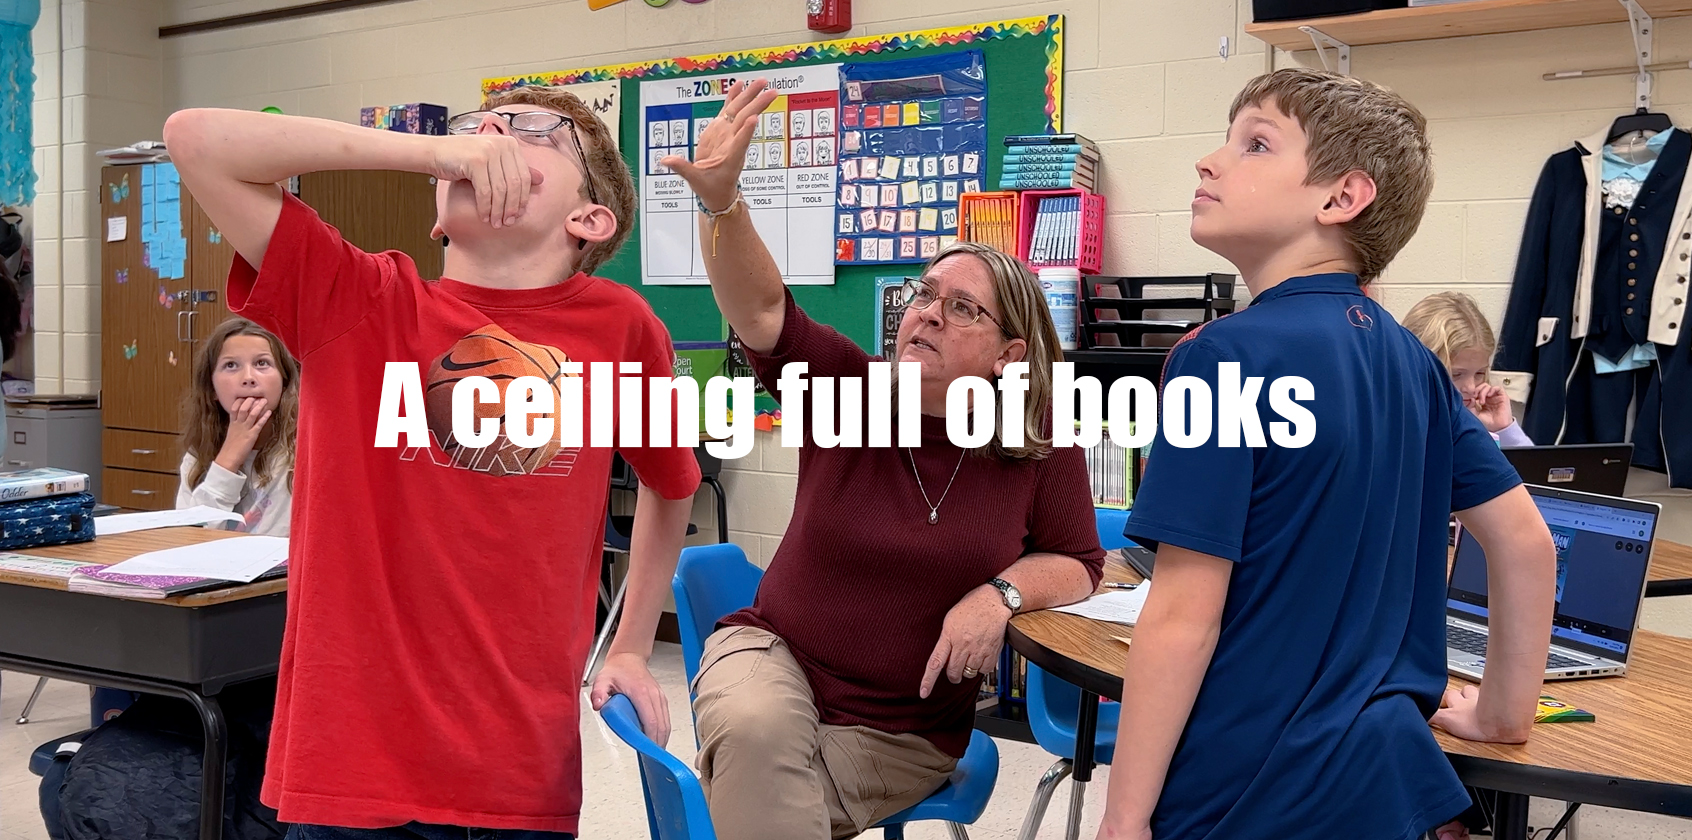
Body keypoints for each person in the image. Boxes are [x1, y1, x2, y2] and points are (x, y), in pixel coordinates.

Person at [164, 83, 701, 839]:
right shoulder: (360, 298)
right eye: (478, 128)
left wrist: (635, 647)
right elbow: (194, 138)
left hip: (519, 767)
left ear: (589, 219)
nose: (490, 136)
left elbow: (671, 483)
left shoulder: (622, 326)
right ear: (438, 213)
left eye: (534, 132)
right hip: (355, 768)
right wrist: (427, 150)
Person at [1094, 68, 1557, 840]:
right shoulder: (1415, 366)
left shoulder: (1220, 356)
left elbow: (1181, 617)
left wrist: (1123, 817)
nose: (1209, 160)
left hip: (1246, 793)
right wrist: (1505, 714)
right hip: (1383, 785)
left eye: (1256, 144)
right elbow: (1526, 542)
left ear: (1342, 197)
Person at [663, 79, 1104, 840]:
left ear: (1009, 355)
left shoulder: (1038, 438)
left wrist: (997, 595)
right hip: (773, 656)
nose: (927, 313)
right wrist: (723, 203)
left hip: (903, 732)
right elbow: (761, 308)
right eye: (925, 294)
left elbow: (1079, 563)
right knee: (757, 734)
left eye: (961, 308)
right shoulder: (847, 387)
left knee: (752, 797)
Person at [177, 317, 299, 536]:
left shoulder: (303, 449)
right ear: (212, 389)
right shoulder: (198, 455)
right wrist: (229, 457)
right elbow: (188, 537)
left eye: (262, 363)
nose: (248, 378)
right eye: (231, 365)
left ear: (284, 380)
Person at [1403, 290, 1534, 446]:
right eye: (1456, 374)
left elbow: (1532, 463)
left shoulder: (1479, 424)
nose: (1471, 388)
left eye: (1480, 373)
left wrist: (1503, 430)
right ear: (1418, 368)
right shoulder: (1399, 425)